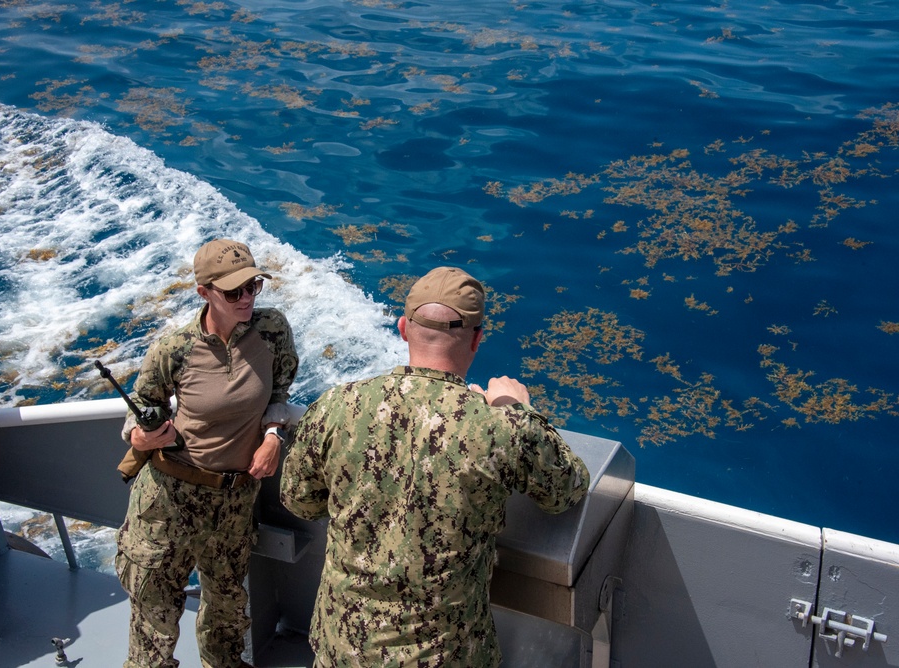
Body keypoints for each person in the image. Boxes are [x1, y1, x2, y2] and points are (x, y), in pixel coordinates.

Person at [280, 266, 590, 668]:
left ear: (404, 327)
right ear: (477, 339)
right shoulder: (499, 429)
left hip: (343, 647)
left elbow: (299, 501)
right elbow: (567, 488)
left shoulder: (337, 405)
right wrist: (517, 410)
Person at [115, 239, 298, 668]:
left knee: (228, 612)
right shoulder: (173, 350)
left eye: (253, 286)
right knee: (154, 615)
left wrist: (273, 436)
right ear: (204, 293)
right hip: (168, 496)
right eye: (233, 292)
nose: (247, 299)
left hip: (234, 498)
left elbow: (280, 391)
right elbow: (141, 412)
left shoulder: (272, 331)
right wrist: (142, 439)